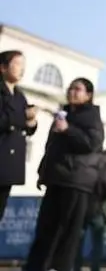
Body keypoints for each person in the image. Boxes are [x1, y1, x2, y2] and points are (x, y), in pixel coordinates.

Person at [24, 77, 105, 271]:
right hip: (56, 179)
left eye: (78, 89)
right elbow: (52, 148)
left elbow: (91, 144)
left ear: (89, 95)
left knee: (68, 233)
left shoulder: (91, 116)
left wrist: (69, 130)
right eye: (70, 88)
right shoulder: (63, 114)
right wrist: (43, 172)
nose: (72, 92)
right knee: (45, 230)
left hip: (76, 182)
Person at [0, 50, 38, 221]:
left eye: (23, 65)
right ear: (3, 67)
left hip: (9, 164)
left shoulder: (20, 95)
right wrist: (22, 117)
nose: (21, 69)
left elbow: (26, 128)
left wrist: (31, 122)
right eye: (17, 64)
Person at [74, 152, 106, 271]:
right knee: (97, 244)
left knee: (78, 244)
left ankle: (76, 267)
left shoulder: (82, 174)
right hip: (97, 211)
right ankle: (95, 268)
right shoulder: (100, 177)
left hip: (81, 211)